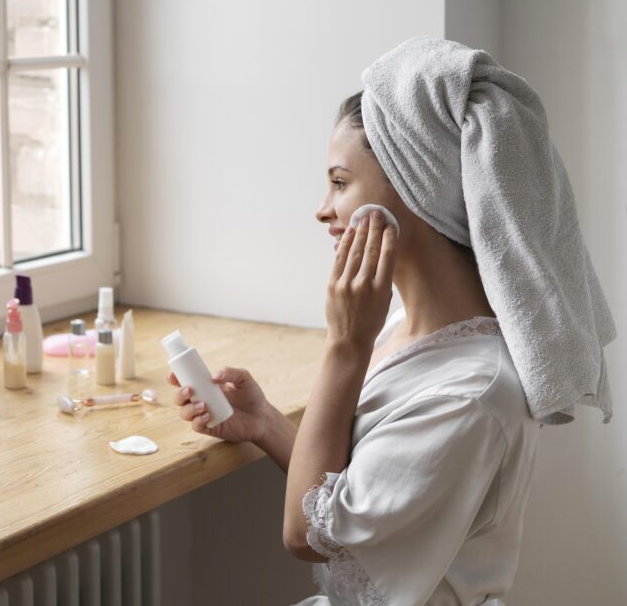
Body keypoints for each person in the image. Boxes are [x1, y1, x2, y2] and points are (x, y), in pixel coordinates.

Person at [169, 90, 541, 604]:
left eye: (340, 183)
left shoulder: (471, 393)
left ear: (415, 187)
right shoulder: (408, 329)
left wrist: (345, 345)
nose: (323, 210)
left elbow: (307, 535)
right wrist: (266, 424)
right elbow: (352, 499)